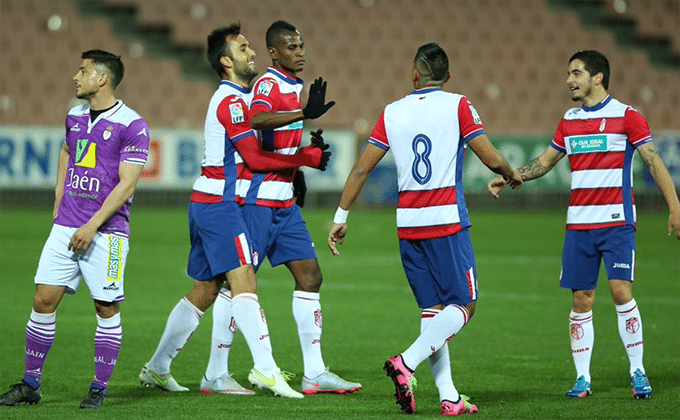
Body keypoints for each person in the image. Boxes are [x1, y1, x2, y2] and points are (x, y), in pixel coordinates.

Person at [328, 43, 522, 415]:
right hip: (446, 222)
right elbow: (489, 155)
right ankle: (406, 362)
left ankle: (448, 397)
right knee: (466, 304)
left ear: (414, 74)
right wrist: (510, 173)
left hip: (408, 226)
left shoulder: (392, 112)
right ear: (447, 77)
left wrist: (341, 216)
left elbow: (361, 169)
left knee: (433, 311)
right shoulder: (458, 105)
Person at [139, 24, 329, 399]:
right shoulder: (231, 102)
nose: (252, 52)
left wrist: (297, 164)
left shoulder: (235, 98)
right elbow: (256, 159)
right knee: (244, 284)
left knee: (206, 291)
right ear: (226, 61)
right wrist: (306, 157)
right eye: (243, 49)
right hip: (219, 205)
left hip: (210, 202)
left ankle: (158, 368)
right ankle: (267, 370)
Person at [488, 50, 680, 400]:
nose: (568, 80)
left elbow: (653, 163)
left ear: (598, 77)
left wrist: (675, 206)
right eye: (568, 73)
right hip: (579, 225)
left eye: (576, 73)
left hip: (617, 222)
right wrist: (511, 176)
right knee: (581, 300)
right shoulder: (569, 120)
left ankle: (637, 370)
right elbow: (546, 162)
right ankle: (582, 378)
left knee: (622, 292)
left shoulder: (627, 117)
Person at [207, 20, 362, 395]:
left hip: (284, 204)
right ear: (274, 53)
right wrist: (303, 115)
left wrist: (298, 171)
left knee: (311, 277)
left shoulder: (294, 86)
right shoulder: (268, 84)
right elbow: (258, 119)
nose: (300, 52)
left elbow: (279, 141)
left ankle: (315, 373)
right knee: (238, 286)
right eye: (291, 47)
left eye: (302, 45)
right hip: (257, 201)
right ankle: (216, 372)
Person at [0, 50, 149, 409]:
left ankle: (98, 388)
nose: (75, 77)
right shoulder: (74, 116)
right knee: (43, 300)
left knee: (106, 307)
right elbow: (68, 151)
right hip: (66, 225)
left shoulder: (133, 124)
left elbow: (127, 185)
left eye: (82, 71)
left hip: (107, 233)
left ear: (102, 78)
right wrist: (59, 194)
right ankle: (31, 384)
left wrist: (92, 225)